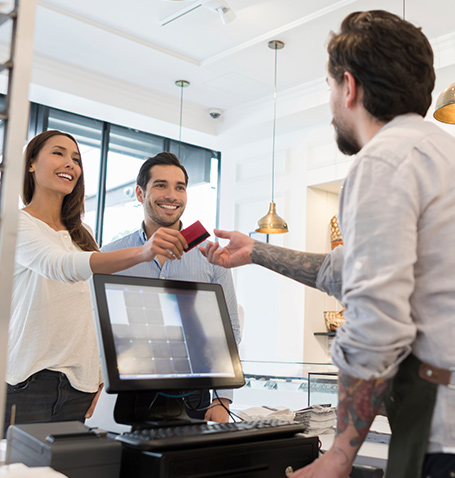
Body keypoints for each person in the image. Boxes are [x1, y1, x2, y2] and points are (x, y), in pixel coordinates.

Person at [201, 10, 455, 478]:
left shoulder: (383, 160)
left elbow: (373, 319)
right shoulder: (440, 154)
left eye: (329, 87)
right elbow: (347, 269)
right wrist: (256, 251)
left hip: (440, 435)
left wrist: (339, 453)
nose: (332, 101)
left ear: (350, 87)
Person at [4, 130, 189, 437]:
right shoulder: (16, 222)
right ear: (31, 164)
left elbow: (92, 308)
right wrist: (143, 252)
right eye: (59, 153)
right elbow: (59, 265)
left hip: (79, 385)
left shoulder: (82, 233)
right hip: (28, 381)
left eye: (76, 158)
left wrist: (98, 371)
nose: (71, 164)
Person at [101, 152, 241, 423]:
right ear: (140, 194)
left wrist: (222, 399)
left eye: (180, 187)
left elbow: (229, 330)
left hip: (195, 394)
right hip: (131, 392)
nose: (172, 195)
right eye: (161, 185)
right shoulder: (112, 255)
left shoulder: (209, 255)